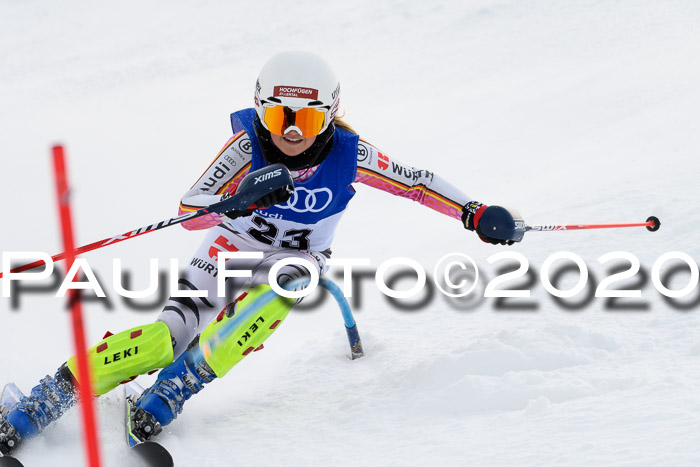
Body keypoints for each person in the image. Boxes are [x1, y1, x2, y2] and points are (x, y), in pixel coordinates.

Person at [0, 51, 523, 454]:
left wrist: (473, 211)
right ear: (260, 111)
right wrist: (239, 199)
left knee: (284, 285)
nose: (291, 133)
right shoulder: (246, 148)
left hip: (297, 260)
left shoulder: (349, 155)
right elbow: (190, 207)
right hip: (230, 248)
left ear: (330, 116)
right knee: (164, 338)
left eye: (308, 121)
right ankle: (43, 400)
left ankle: (176, 389)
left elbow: (416, 182)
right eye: (278, 116)